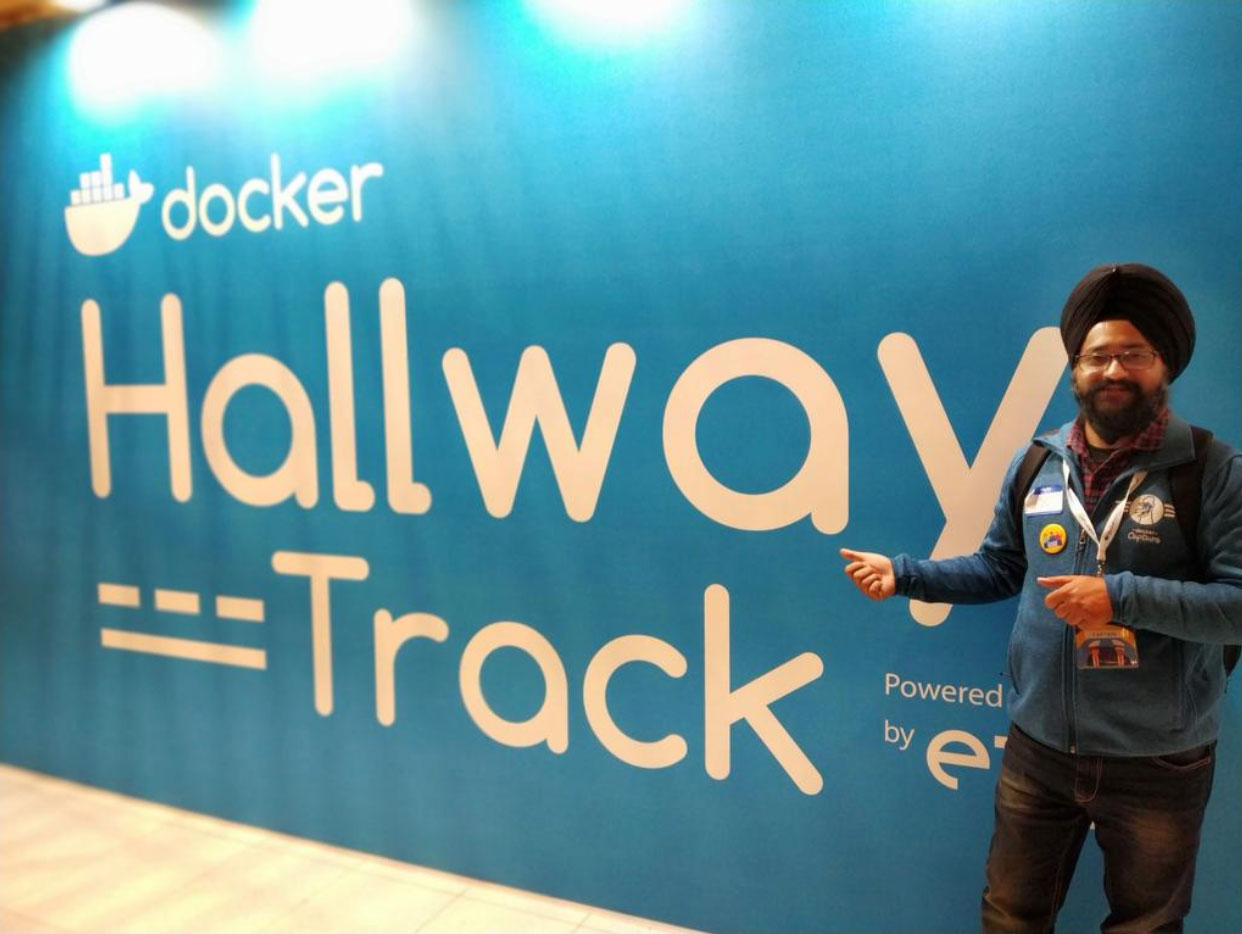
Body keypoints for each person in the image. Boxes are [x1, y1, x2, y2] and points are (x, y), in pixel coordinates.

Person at [839, 263, 1242, 933]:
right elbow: (1000, 567)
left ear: (1164, 365)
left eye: (1134, 355)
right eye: (1097, 356)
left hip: (1159, 759)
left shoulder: (1212, 470)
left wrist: (1119, 598)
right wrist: (906, 575)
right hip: (1040, 746)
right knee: (1010, 916)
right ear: (1075, 370)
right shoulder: (1037, 463)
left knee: (1146, 924)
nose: (1113, 370)